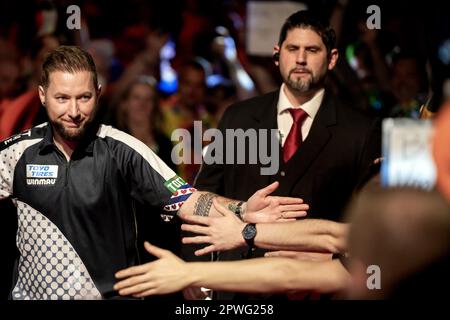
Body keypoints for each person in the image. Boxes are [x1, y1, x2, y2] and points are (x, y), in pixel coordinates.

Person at [0, 46, 309, 300]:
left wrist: (241, 209)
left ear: (98, 93)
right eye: (61, 98)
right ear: (42, 95)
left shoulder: (122, 150)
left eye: (84, 97)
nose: (74, 111)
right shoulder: (14, 154)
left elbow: (188, 200)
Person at [187, 10, 381, 299]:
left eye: (312, 50)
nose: (300, 59)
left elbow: (372, 223)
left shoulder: (361, 130)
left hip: (313, 289)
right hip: (236, 288)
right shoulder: (238, 117)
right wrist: (194, 269)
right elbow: (201, 197)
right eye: (293, 49)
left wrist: (336, 263)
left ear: (332, 58)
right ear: (277, 54)